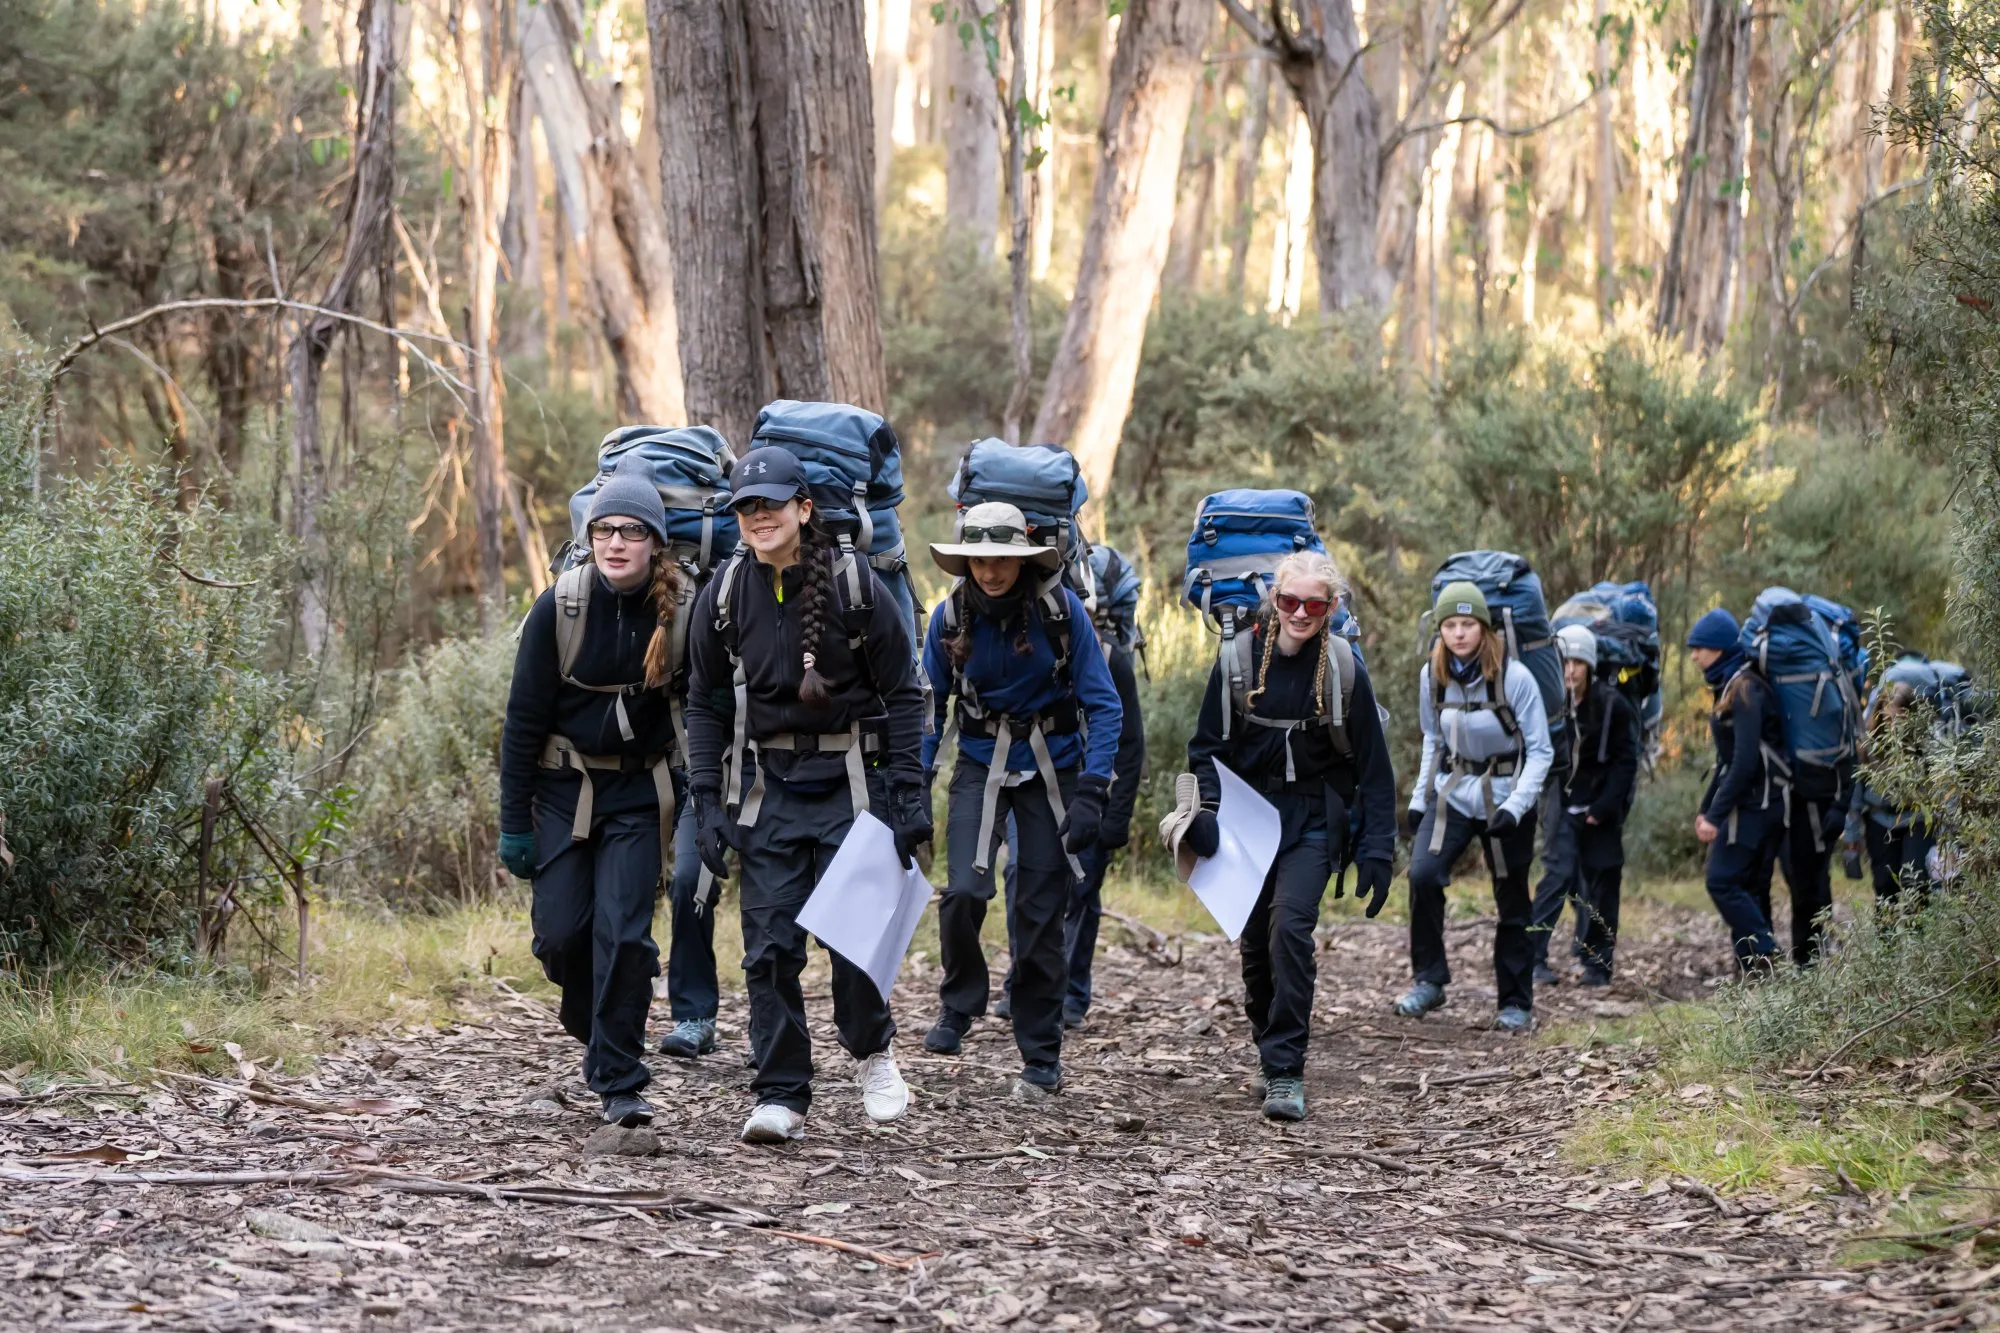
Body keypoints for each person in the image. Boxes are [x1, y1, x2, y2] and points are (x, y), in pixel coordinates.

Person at [683, 445, 930, 1144]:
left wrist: (908, 797)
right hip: (770, 791)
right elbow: (702, 703)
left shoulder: (855, 585)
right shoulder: (726, 594)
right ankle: (781, 1092)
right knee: (768, 948)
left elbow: (904, 693)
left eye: (772, 504)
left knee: (853, 942)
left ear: (804, 508)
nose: (759, 517)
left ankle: (873, 1052)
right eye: (747, 507)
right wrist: (706, 800)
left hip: (853, 787)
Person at [919, 503, 1123, 1103]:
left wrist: (1094, 789)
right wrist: (913, 784)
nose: (990, 571)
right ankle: (960, 1005)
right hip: (980, 764)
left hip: (1051, 769)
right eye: (979, 559)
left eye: (1002, 559)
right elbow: (931, 705)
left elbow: (1104, 705)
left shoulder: (1062, 615)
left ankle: (1040, 1054)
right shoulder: (949, 617)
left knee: (1038, 916)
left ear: (1023, 559)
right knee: (964, 892)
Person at [1183, 551, 1396, 1120]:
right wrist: (1205, 810)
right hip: (1247, 819)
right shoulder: (1238, 659)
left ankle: (1284, 1071)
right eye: (1290, 601)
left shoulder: (1345, 669)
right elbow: (1206, 748)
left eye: (1314, 604)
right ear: (1274, 600)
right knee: (1255, 944)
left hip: (1314, 819)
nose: (1301, 612)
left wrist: (1378, 848)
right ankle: (1266, 1047)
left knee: (1290, 930)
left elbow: (1374, 769)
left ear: (1331, 608)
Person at [498, 460, 680, 1128]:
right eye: (605, 529)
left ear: (655, 541)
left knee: (624, 934)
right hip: (563, 791)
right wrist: (514, 821)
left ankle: (620, 1079)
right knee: (562, 937)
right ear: (590, 535)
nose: (616, 543)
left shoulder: (680, 611)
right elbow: (521, 722)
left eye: (631, 530)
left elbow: (704, 714)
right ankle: (595, 1016)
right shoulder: (561, 605)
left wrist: (701, 807)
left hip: (640, 793)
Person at [1397, 581, 1555, 1032]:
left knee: (1511, 899)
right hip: (1454, 793)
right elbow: (1433, 738)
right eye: (1450, 624)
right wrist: (1417, 798)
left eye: (1468, 624)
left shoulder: (1515, 676)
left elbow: (1540, 751)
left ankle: (1515, 1002)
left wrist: (1517, 806)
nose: (1459, 633)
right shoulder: (1433, 674)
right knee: (1424, 875)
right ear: (1440, 629)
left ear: (1484, 628)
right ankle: (1430, 980)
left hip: (1506, 797)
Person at [992, 585, 1147, 1030]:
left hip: (1092, 791)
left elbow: (1131, 744)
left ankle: (1073, 992)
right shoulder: (1029, 649)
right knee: (1019, 874)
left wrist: (1115, 818)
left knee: (1081, 889)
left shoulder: (1112, 660)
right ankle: (1021, 982)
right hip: (1037, 784)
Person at [1528, 626, 1639, 985]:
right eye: (1565, 662)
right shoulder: (1548, 704)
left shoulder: (1613, 705)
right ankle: (1533, 959)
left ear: (1589, 666)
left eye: (1577, 662)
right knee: (1557, 878)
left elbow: (1626, 762)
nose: (1570, 670)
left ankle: (1597, 964)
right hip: (1560, 803)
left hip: (1600, 810)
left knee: (1603, 882)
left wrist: (1604, 807)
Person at [1686, 607, 1787, 972]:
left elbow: (1744, 762)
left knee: (1722, 880)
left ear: (1718, 647)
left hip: (1761, 805)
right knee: (1749, 883)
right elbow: (1727, 760)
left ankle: (1766, 949)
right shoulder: (1730, 686)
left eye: (1699, 647)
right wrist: (1706, 807)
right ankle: (1754, 969)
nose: (1694, 655)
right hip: (1756, 802)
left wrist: (1715, 815)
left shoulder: (1744, 690)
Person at [1847, 681, 1937, 904]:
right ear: (1880, 715)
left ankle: (1917, 935)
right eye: (1889, 720)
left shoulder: (1924, 745)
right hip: (1879, 819)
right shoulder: (1869, 745)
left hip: (1916, 819)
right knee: (1884, 884)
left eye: (1900, 720)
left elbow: (1941, 790)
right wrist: (1851, 835)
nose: (1894, 727)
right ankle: (1886, 937)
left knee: (1914, 881)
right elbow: (1856, 792)